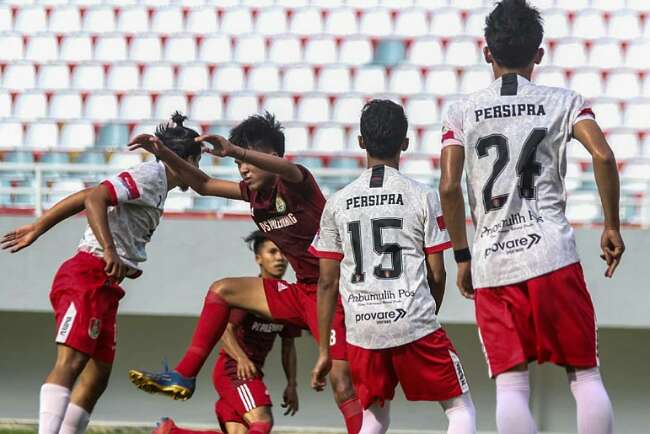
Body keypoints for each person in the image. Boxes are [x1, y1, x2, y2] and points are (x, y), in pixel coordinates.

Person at [438, 2, 625, 434]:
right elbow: (603, 154)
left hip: (492, 262)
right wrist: (611, 225)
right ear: (538, 54)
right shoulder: (565, 101)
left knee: (511, 384)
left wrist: (462, 256)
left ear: (487, 52)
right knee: (585, 374)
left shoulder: (461, 112)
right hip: (552, 255)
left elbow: (448, 187)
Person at [127, 112, 363, 434]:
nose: (243, 169)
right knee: (221, 290)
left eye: (249, 160)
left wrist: (235, 151)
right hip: (303, 290)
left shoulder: (297, 182)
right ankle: (184, 374)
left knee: (342, 381)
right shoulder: (253, 193)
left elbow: (288, 167)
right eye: (239, 164)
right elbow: (204, 184)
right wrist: (162, 152)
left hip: (333, 292)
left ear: (274, 157)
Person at [0, 113, 202, 434]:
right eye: (197, 162)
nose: (199, 171)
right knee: (72, 362)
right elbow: (96, 197)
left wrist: (39, 226)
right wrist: (109, 248)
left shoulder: (159, 185)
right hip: (88, 273)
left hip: (107, 283)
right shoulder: (152, 174)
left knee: (97, 376)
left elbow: (88, 194)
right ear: (187, 160)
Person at [310, 99, 476, 434]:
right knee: (460, 409)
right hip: (412, 319)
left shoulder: (337, 202)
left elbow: (326, 283)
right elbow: (437, 273)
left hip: (361, 330)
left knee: (374, 416)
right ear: (405, 144)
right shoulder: (421, 196)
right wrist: (423, 316)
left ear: (360, 141)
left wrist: (325, 349)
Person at [152, 231, 300, 434]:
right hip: (233, 370)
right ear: (258, 258)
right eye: (272, 252)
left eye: (283, 253)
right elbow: (224, 329)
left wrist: (292, 384)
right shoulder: (248, 293)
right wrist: (241, 358)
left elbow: (288, 346)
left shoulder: (287, 297)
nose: (279, 258)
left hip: (250, 372)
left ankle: (171, 432)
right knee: (263, 421)